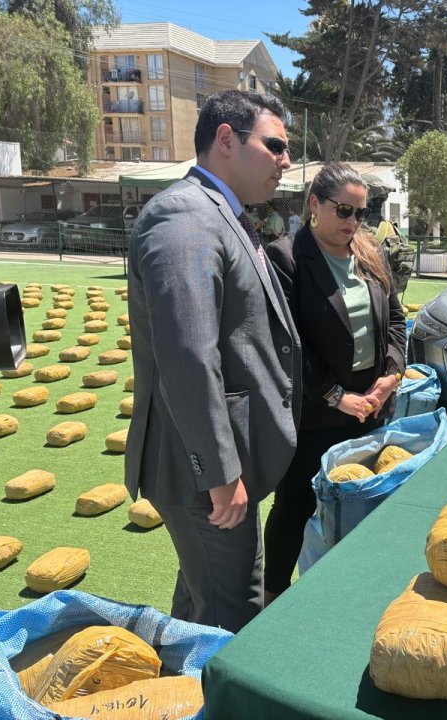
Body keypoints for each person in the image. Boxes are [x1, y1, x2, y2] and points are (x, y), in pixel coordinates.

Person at [124, 90, 301, 633]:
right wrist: (221, 474)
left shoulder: (219, 212)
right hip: (203, 475)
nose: (286, 161)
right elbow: (187, 355)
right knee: (231, 620)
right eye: (276, 146)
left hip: (217, 468)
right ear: (226, 139)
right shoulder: (186, 216)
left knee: (203, 606)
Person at [263, 162, 407, 603]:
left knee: (359, 501)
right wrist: (336, 395)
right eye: (344, 210)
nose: (353, 222)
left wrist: (391, 374)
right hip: (314, 413)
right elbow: (288, 343)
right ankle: (272, 595)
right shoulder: (286, 258)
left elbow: (396, 319)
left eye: (361, 213)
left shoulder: (371, 252)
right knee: (295, 507)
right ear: (315, 204)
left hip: (371, 407)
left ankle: (348, 592)